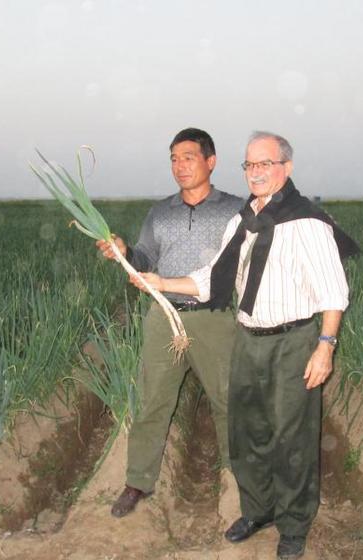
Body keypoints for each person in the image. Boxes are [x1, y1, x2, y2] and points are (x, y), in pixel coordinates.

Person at [130, 131, 359, 559]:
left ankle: (293, 527)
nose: (256, 173)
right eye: (250, 165)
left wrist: (325, 346)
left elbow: (333, 291)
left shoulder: (306, 221)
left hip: (294, 341)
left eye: (265, 164)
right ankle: (258, 511)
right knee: (248, 431)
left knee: (292, 438)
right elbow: (211, 278)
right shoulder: (243, 221)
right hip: (249, 339)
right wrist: (159, 281)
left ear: (285, 169)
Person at [96, 128, 244, 520]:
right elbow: (145, 258)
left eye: (189, 157)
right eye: (174, 159)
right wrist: (125, 251)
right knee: (153, 401)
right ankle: (138, 482)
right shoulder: (159, 212)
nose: (180, 166)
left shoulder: (235, 210)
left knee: (228, 399)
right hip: (164, 315)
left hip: (215, 318)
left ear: (211, 162)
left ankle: (236, 475)